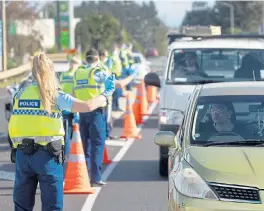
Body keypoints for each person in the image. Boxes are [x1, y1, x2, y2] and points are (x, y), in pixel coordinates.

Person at [8, 52, 115, 211]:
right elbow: (86, 106)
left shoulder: (20, 94)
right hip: (47, 157)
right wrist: (105, 95)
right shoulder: (54, 96)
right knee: (52, 207)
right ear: (51, 73)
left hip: (23, 156)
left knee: (21, 207)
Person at [73, 48, 114, 187]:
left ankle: (83, 175)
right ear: (97, 59)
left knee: (84, 145)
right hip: (96, 112)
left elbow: (74, 91)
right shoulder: (97, 72)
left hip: (81, 112)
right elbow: (110, 86)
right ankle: (95, 177)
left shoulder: (78, 72)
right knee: (97, 144)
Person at [59, 56, 81, 156]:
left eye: (75, 63)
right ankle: (69, 152)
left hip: (71, 103)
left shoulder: (75, 74)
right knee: (68, 130)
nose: (73, 65)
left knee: (71, 129)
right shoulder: (67, 74)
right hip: (70, 104)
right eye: (73, 63)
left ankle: (71, 151)